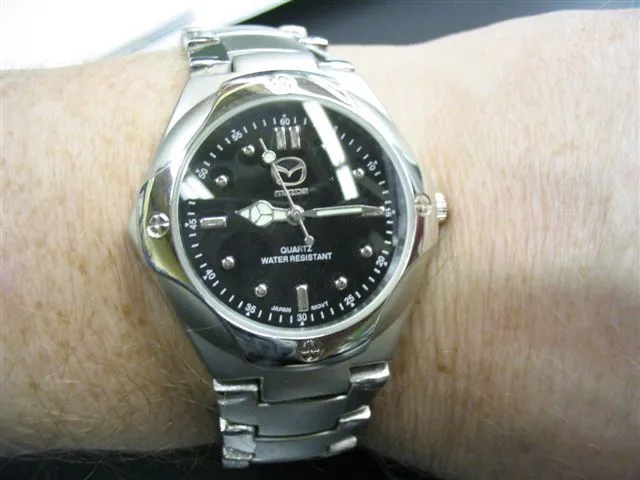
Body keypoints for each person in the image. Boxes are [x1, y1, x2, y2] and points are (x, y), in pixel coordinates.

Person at [1, 9, 637, 480]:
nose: (297, 215)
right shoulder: (171, 209)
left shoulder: (397, 210)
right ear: (151, 224)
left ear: (428, 212)